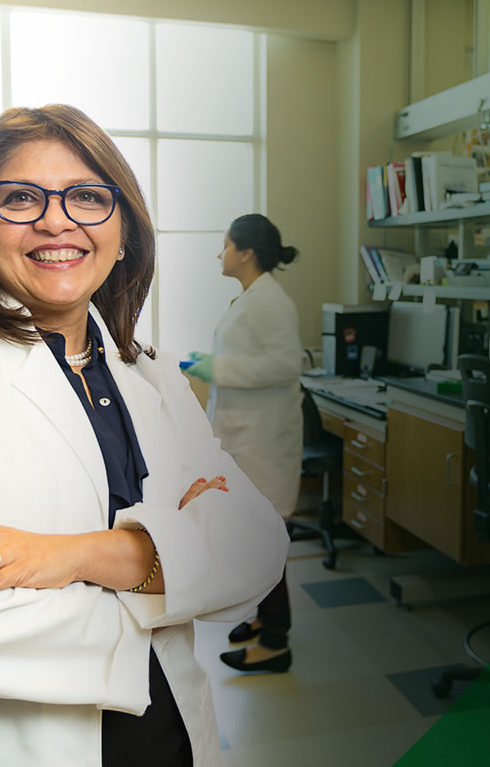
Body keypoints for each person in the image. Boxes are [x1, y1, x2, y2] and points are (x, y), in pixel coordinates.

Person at [0, 105, 288, 767]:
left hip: (177, 741)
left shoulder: (146, 369)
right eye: (19, 198)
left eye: (88, 198)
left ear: (122, 229)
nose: (56, 219)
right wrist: (173, 576)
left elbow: (258, 546)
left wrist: (72, 557)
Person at [186, 214, 303, 674]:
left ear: (246, 253)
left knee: (263, 540)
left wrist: (219, 370)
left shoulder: (270, 300)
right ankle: (260, 617)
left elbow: (284, 365)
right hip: (246, 436)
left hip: (264, 444)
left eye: (225, 245)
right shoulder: (253, 297)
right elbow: (252, 356)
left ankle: (277, 643)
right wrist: (214, 363)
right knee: (253, 536)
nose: (220, 254)